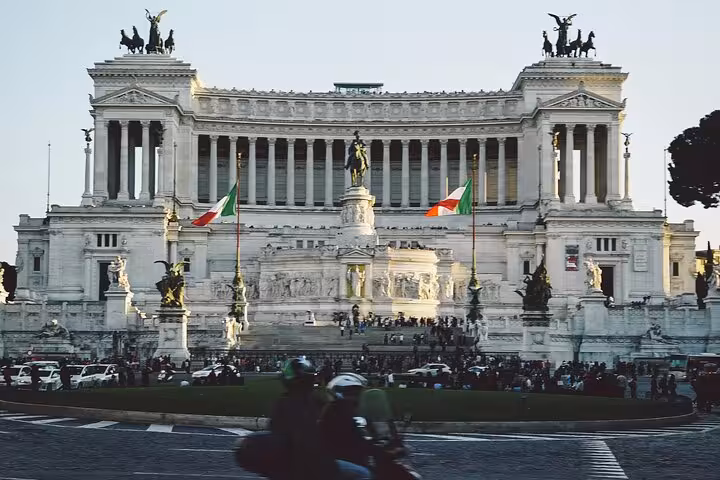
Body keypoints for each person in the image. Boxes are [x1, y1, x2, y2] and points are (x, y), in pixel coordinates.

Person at [235, 357, 338, 480]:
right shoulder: (318, 401)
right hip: (314, 466)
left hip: (292, 465)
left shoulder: (284, 403)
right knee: (360, 473)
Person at [319, 373, 374, 480]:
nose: (355, 397)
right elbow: (353, 437)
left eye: (356, 394)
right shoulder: (335, 411)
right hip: (334, 460)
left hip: (345, 458)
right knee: (364, 474)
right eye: (351, 393)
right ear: (338, 393)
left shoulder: (348, 412)